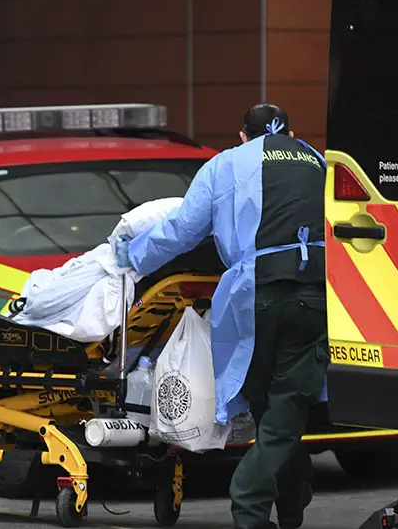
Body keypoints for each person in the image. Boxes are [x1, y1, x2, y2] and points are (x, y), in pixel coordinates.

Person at [115, 104, 328, 529]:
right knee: (284, 408)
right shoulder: (317, 161)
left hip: (255, 297)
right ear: (290, 133)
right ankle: (291, 495)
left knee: (271, 407)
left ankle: (249, 504)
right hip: (313, 293)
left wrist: (132, 256)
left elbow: (182, 228)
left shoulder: (225, 164)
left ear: (242, 136)